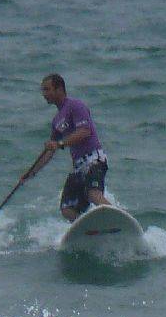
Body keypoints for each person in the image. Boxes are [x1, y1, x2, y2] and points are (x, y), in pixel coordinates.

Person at [31, 73, 113, 221]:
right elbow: (50, 151)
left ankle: (117, 219)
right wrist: (31, 173)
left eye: (47, 89)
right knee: (67, 209)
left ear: (59, 89)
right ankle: (90, 230)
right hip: (78, 166)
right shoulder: (56, 121)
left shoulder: (75, 106)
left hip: (94, 159)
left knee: (93, 194)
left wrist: (60, 143)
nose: (44, 94)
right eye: (43, 90)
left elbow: (85, 131)